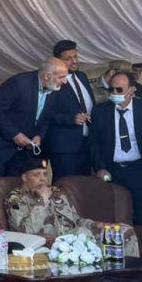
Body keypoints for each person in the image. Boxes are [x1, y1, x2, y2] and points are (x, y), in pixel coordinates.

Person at [7, 156, 138, 256]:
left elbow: (76, 221)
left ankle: (126, 277)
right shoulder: (16, 199)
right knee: (82, 233)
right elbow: (26, 232)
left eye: (45, 174)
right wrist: (43, 200)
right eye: (37, 175)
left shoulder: (57, 193)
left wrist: (97, 225)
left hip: (76, 238)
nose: (43, 179)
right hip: (50, 244)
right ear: (24, 177)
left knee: (123, 231)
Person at [0, 58, 67, 180]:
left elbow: (47, 119)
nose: (65, 81)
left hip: (22, 152)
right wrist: (14, 134)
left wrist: (39, 136)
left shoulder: (54, 90)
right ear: (48, 75)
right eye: (62, 77)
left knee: (15, 186)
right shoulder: (19, 83)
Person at [90, 71, 142, 225]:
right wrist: (100, 167)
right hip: (112, 171)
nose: (114, 93)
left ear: (132, 89)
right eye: (111, 89)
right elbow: (94, 142)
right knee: (114, 214)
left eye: (119, 90)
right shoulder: (100, 111)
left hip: (140, 170)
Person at [46, 40, 95, 181]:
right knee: (65, 186)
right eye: (68, 58)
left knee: (84, 186)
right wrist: (71, 119)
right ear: (57, 61)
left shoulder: (82, 76)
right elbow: (46, 113)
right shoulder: (52, 81)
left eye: (75, 57)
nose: (74, 61)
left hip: (87, 143)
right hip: (65, 148)